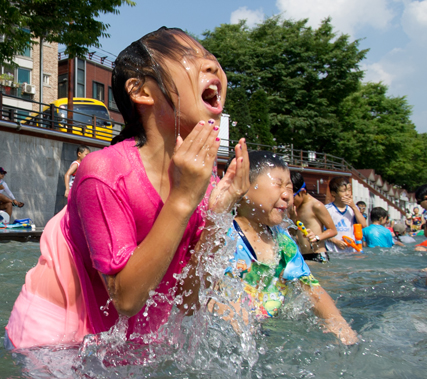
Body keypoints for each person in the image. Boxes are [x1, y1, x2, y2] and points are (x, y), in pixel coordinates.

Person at [5, 27, 250, 350]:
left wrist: (219, 213)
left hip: (121, 344)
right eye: (190, 57)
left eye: (210, 58)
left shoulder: (202, 180)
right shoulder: (105, 171)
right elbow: (126, 298)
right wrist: (184, 198)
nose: (211, 65)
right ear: (142, 91)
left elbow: (189, 302)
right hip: (52, 342)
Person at [222, 151, 358, 345]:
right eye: (278, 185)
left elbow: (311, 287)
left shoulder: (282, 239)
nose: (287, 195)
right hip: (243, 334)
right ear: (242, 187)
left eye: (289, 187)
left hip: (275, 332)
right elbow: (216, 292)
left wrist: (338, 324)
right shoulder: (226, 236)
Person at [290, 172, 337, 262]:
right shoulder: (293, 208)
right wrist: (293, 217)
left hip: (318, 255)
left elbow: (333, 230)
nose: (290, 201)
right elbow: (292, 233)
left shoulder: (316, 205)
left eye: (292, 197)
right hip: (302, 256)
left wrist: (317, 237)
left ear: (303, 192)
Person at [325, 177, 367, 253]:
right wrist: (335, 241)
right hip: (333, 250)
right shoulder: (327, 209)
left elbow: (363, 225)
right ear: (333, 193)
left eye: (349, 190)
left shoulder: (353, 208)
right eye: (343, 191)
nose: (347, 193)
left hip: (351, 249)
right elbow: (321, 231)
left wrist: (354, 207)